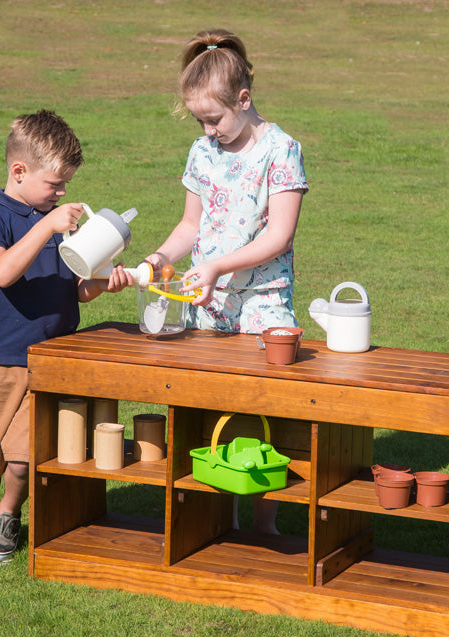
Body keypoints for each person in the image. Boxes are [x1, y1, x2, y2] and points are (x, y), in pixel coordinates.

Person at [144, 29, 309, 533]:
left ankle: (264, 523)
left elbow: (279, 235)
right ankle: (215, 519)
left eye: (214, 119)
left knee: (265, 408)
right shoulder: (201, 152)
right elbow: (191, 225)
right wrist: (158, 256)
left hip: (262, 300)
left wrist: (217, 266)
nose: (209, 130)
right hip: (207, 302)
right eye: (200, 121)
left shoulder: (281, 150)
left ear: (244, 98)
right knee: (206, 406)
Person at [0, 109, 134, 563]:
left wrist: (103, 283)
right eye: (55, 184)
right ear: (18, 171)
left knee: (23, 456)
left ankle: (7, 516)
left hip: (49, 358)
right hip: (2, 358)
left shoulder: (61, 226)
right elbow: (2, 272)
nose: (62, 194)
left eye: (66, 185)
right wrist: (47, 226)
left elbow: (74, 289)